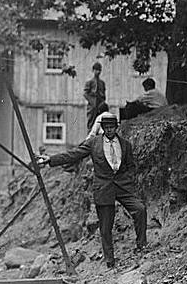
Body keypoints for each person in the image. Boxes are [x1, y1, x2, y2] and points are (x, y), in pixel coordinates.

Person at [36, 113, 146, 269]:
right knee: (106, 226)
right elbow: (74, 154)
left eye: (112, 128)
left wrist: (127, 178)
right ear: (102, 128)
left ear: (117, 127)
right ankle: (110, 260)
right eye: (106, 128)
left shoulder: (125, 144)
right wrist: (51, 160)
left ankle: (142, 246)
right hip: (103, 188)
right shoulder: (94, 143)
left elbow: (131, 166)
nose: (109, 131)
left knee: (140, 209)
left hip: (122, 186)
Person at [83, 62, 106, 129]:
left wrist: (101, 104)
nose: (98, 72)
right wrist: (92, 102)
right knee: (91, 124)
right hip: (92, 107)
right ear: (93, 71)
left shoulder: (102, 83)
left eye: (99, 70)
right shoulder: (89, 82)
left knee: (100, 124)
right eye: (96, 70)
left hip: (100, 106)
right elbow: (85, 94)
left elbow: (104, 95)